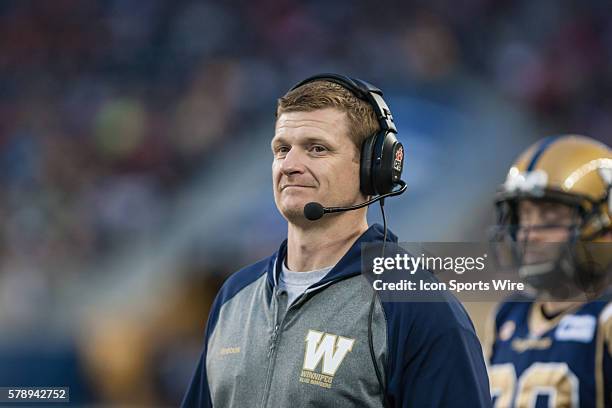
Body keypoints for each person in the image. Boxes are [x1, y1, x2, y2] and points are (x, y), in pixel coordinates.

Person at [181, 74, 491, 407]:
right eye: (282, 149)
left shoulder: (416, 307)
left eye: (317, 149)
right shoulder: (234, 296)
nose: (290, 165)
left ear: (374, 168)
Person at [486, 135, 612, 407]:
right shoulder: (508, 315)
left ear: (603, 223)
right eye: (524, 217)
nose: (529, 235)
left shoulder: (605, 319)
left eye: (550, 218)